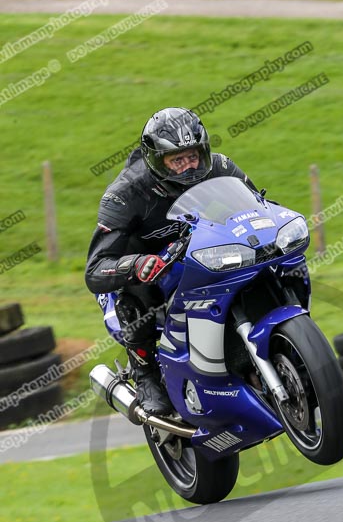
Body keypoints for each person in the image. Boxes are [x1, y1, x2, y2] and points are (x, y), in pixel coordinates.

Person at [85, 107, 256, 416]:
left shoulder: (220, 167)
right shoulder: (125, 194)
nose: (189, 166)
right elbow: (96, 269)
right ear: (155, 159)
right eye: (177, 160)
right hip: (144, 271)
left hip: (201, 254)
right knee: (135, 293)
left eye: (193, 156)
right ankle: (146, 374)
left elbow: (261, 208)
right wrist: (135, 265)